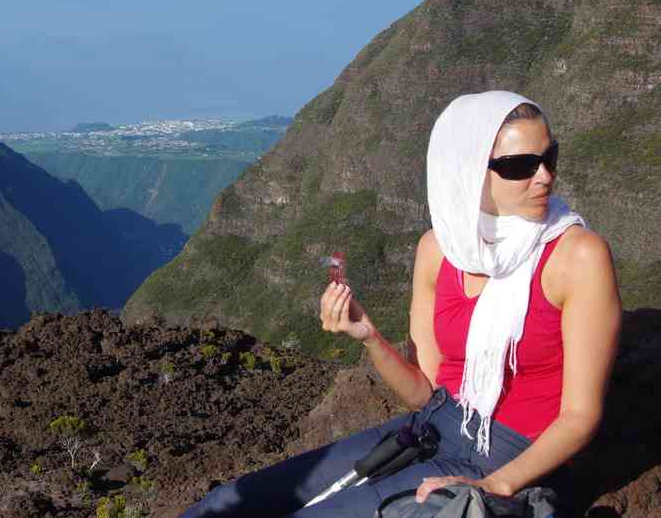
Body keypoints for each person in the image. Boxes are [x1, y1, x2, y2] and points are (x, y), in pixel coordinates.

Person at [179, 91, 621, 517]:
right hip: (432, 428)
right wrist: (369, 336)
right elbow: (424, 393)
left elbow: (580, 417)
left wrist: (496, 485)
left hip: (509, 458)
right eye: (520, 165)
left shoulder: (577, 257)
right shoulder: (440, 249)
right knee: (223, 504)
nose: (545, 176)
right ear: (468, 169)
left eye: (549, 158)